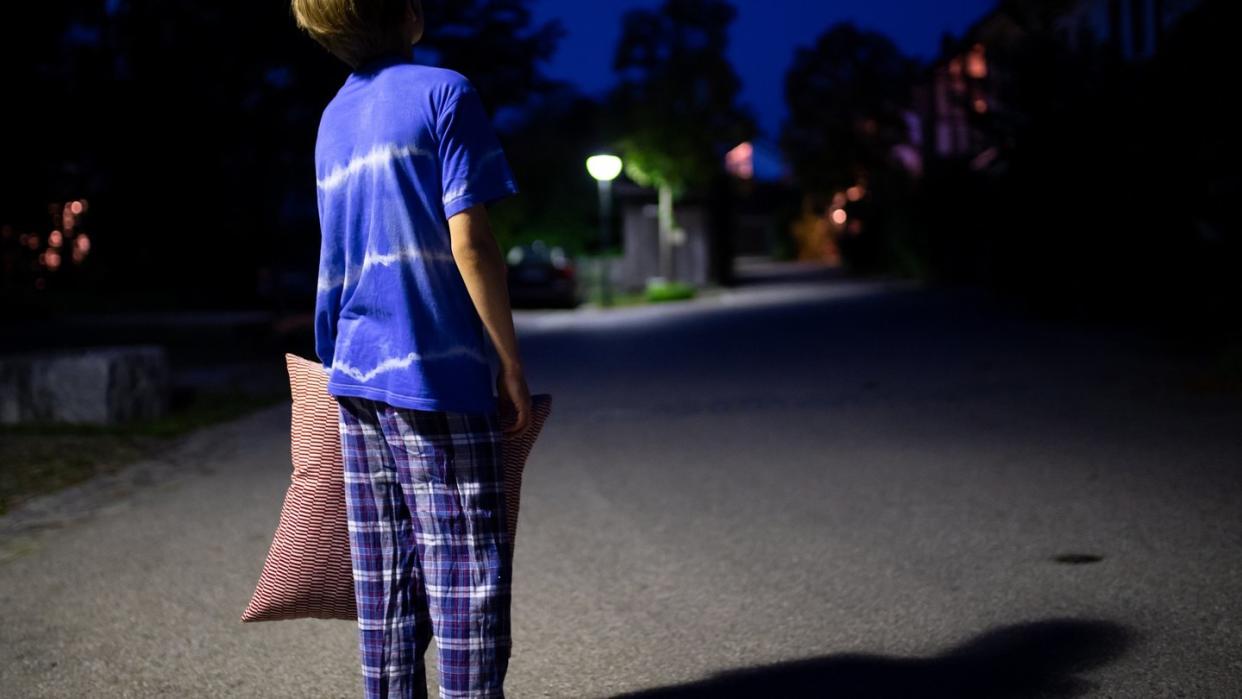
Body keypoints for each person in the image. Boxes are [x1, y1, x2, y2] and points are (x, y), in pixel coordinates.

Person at [290, 1, 531, 696]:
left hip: (356, 377)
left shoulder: (332, 121)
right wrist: (509, 362)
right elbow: (472, 244)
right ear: (407, 12)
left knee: (387, 588)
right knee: (466, 583)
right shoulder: (443, 93)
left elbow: (335, 258)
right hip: (435, 375)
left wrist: (336, 364)